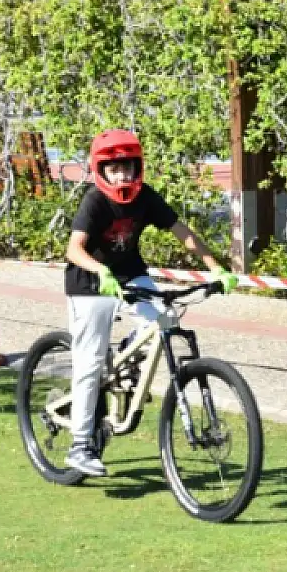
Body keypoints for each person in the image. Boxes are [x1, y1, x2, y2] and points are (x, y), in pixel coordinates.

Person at [63, 129, 237, 477]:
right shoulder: (94, 201)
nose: (121, 175)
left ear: (137, 167)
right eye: (113, 168)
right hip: (90, 283)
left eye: (127, 167)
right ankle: (80, 446)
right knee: (90, 363)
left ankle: (126, 358)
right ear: (101, 170)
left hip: (130, 274)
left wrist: (217, 269)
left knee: (164, 319)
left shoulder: (146, 198)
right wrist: (101, 271)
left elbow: (182, 232)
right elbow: (73, 249)